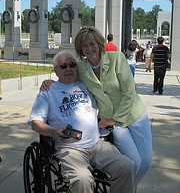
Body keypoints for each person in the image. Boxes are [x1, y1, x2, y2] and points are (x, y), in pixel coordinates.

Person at [41, 26, 152, 188]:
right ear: (80, 49)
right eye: (84, 46)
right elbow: (65, 73)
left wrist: (114, 119)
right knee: (134, 162)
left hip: (133, 114)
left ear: (99, 43)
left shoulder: (117, 58)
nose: (89, 49)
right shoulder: (82, 67)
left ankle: (127, 188)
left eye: (92, 44)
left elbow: (129, 92)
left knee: (147, 162)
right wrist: (50, 82)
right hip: (112, 123)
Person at [29, 51, 135, 193]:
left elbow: (110, 87)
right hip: (69, 150)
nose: (68, 69)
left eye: (72, 64)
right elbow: (35, 122)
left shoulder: (86, 85)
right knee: (82, 179)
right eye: (63, 66)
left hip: (98, 145)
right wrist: (53, 132)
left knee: (126, 167)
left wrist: (129, 85)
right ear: (56, 71)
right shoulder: (48, 91)